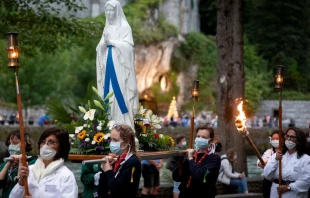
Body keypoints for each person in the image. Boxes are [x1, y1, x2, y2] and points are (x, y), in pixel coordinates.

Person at [96, 0, 139, 131]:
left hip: (120, 64)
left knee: (120, 90)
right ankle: (111, 123)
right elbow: (99, 46)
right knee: (109, 92)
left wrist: (113, 42)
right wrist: (104, 44)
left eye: (111, 10)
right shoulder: (107, 27)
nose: (108, 13)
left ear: (117, 11)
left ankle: (124, 125)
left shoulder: (124, 27)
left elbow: (129, 48)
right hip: (108, 61)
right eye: (107, 10)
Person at [9, 127, 78, 198]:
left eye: (51, 142)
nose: (45, 145)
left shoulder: (66, 176)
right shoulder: (29, 170)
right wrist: (21, 182)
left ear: (61, 147)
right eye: (43, 141)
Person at [173, 125, 222, 198]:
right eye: (198, 136)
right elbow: (177, 177)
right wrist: (182, 160)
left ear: (210, 140)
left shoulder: (214, 158)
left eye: (204, 137)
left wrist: (190, 158)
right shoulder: (193, 155)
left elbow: (199, 176)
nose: (200, 139)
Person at [263, 127, 310, 198]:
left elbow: (306, 180)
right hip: (276, 193)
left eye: (292, 137)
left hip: (294, 194)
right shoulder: (277, 155)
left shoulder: (305, 159)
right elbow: (266, 174)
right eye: (287, 136)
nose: (288, 139)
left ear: (298, 140)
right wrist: (275, 160)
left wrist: (289, 187)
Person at [97, 124, 141, 198]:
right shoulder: (118, 160)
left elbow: (117, 191)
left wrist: (108, 171)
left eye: (115, 140)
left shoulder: (132, 162)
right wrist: (104, 170)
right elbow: (102, 191)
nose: (112, 143)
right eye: (111, 139)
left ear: (127, 142)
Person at [0, 130, 36, 198]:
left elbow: (20, 184)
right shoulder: (4, 164)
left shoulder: (33, 163)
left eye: (15, 143)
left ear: (25, 144)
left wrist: (21, 161)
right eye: (10, 143)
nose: (11, 146)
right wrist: (7, 165)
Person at [257, 130, 280, 198]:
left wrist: (269, 162)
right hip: (267, 181)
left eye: (277, 139)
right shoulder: (269, 151)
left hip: (279, 182)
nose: (275, 141)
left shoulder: (285, 153)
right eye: (273, 139)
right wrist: (263, 163)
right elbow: (259, 162)